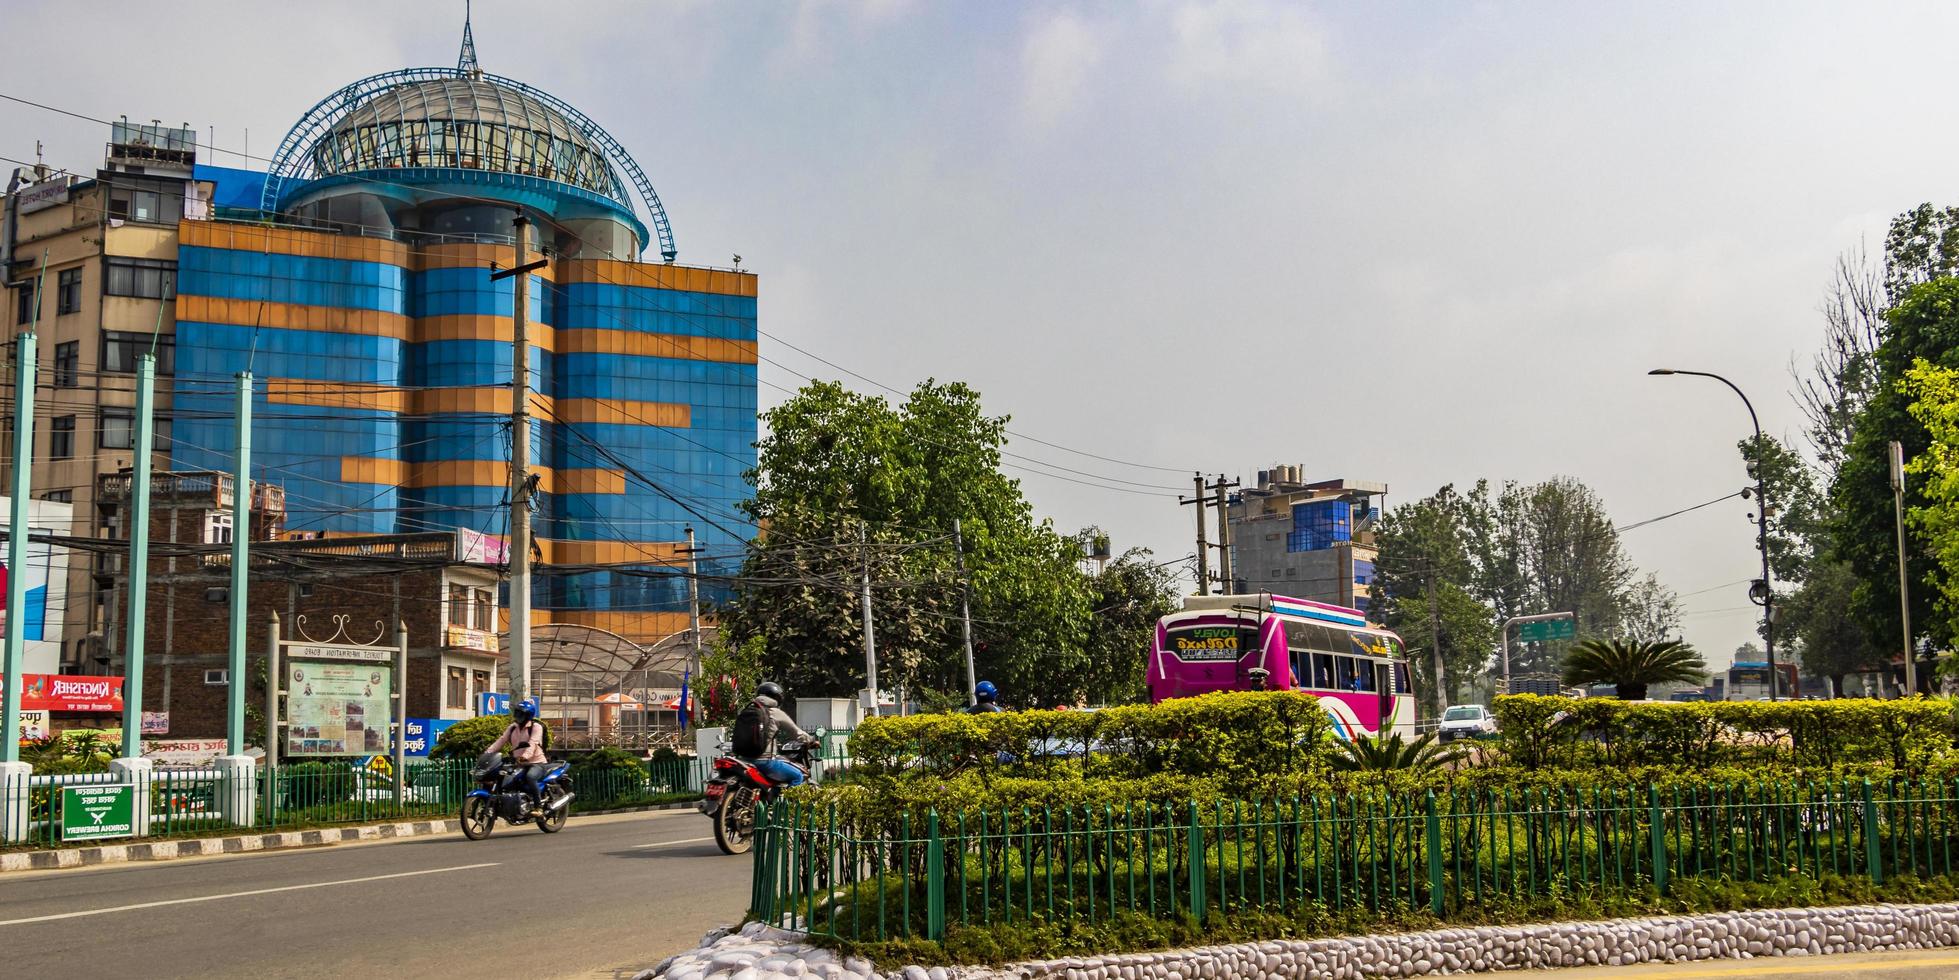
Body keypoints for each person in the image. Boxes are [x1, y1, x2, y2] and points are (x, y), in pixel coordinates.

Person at [731, 681, 814, 788]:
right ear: (777, 698)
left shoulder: (747, 710)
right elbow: (797, 733)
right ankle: (789, 805)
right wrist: (811, 740)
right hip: (764, 762)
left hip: (742, 760)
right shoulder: (775, 712)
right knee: (798, 776)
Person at [486, 698, 548, 809]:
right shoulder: (512, 728)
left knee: (530, 777)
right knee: (505, 778)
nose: (518, 716)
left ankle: (538, 807)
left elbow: (533, 743)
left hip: (536, 763)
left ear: (528, 715)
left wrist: (525, 756)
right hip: (519, 764)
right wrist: (487, 753)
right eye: (517, 713)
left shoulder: (536, 727)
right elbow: (501, 740)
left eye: (521, 714)